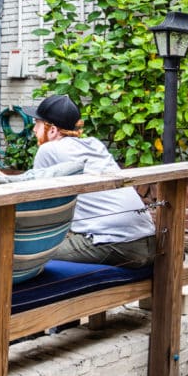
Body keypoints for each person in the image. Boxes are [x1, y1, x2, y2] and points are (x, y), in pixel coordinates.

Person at [23, 94, 156, 267]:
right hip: (148, 241)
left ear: (53, 130)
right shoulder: (95, 145)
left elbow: (34, 202)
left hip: (117, 245)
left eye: (37, 124)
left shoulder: (48, 150)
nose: (34, 129)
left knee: (25, 254)